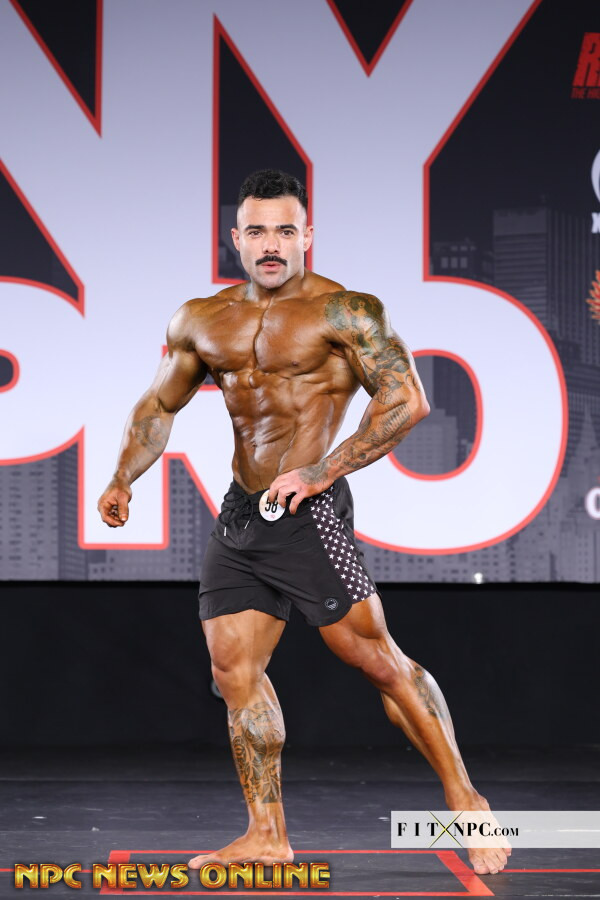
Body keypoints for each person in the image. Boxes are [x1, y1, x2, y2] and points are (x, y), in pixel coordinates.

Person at [97, 169, 509, 876]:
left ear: (307, 236)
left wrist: (322, 471)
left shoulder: (344, 312)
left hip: (309, 512)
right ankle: (267, 834)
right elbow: (158, 406)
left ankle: (466, 801)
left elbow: (406, 401)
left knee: (378, 661)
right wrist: (121, 476)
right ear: (235, 238)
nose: (271, 244)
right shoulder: (201, 319)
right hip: (242, 514)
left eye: (285, 230)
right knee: (234, 671)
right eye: (257, 230)